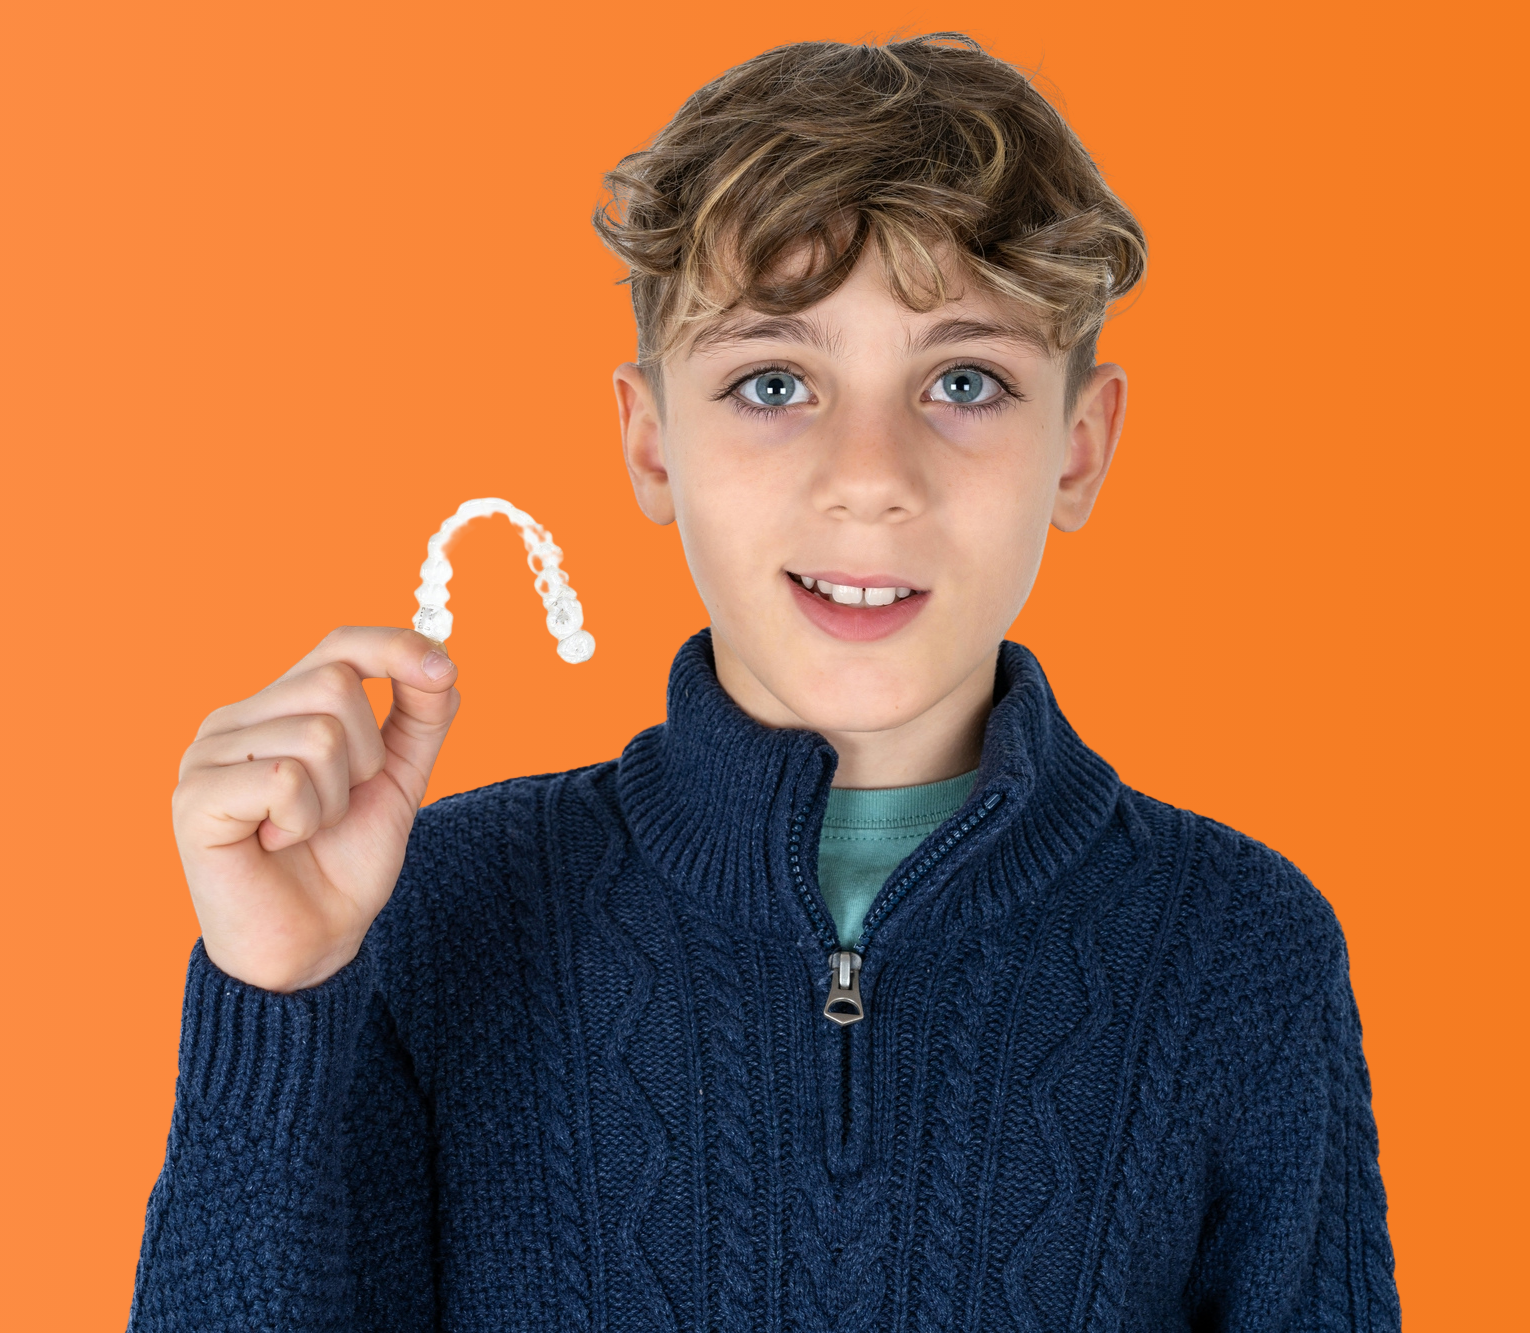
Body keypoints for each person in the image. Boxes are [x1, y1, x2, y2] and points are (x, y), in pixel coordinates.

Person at [128, 34, 1397, 1332]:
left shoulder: (1242, 952)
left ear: (1079, 449)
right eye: (773, 382)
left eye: (963, 381)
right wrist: (274, 994)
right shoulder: (431, 912)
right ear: (649, 443)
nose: (868, 472)